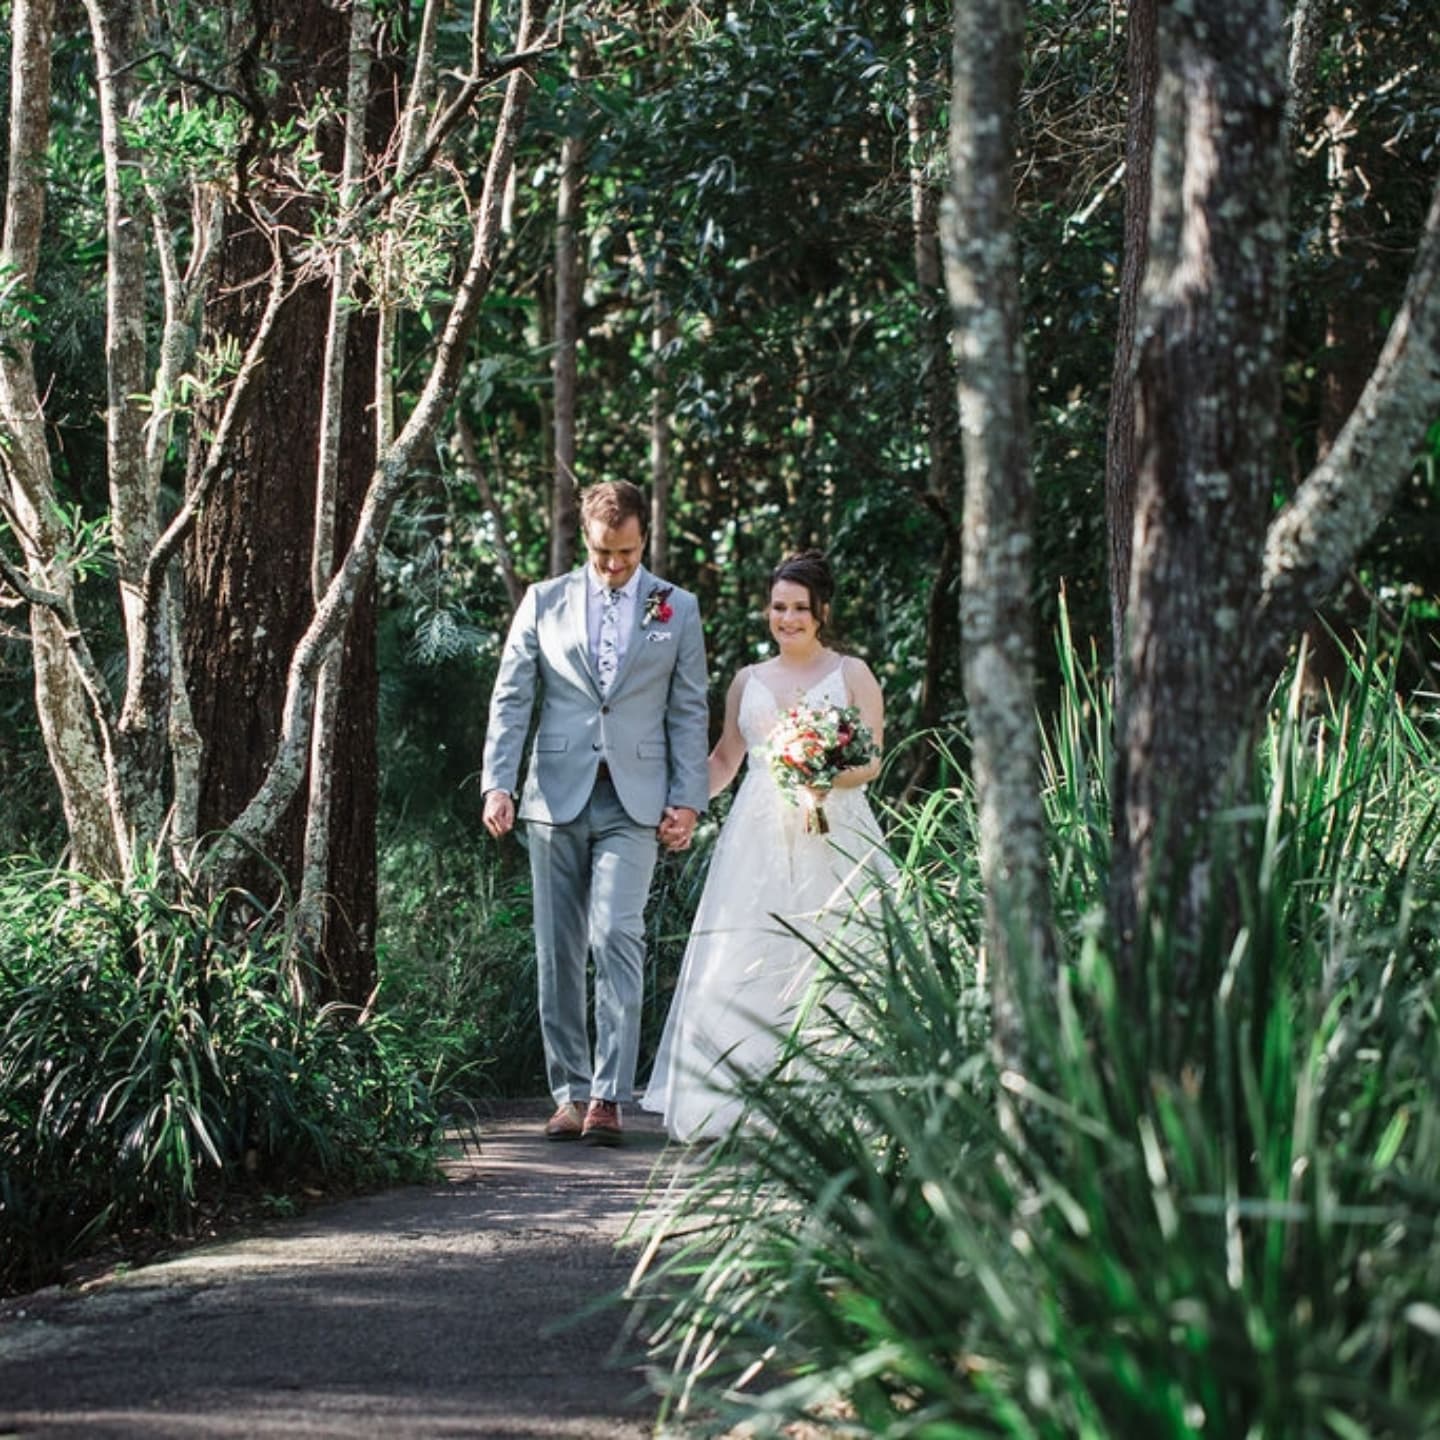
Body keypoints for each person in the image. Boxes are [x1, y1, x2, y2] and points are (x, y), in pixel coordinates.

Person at [481, 481, 709, 1146]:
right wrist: (499, 783)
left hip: (634, 798)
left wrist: (688, 798)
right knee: (557, 949)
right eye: (604, 553)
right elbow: (512, 697)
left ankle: (610, 1095)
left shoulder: (678, 609)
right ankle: (568, 1093)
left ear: (645, 538)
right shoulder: (543, 601)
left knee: (616, 935)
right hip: (554, 793)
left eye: (628, 553)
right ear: (587, 540)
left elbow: (689, 708)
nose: (615, 566)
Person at [642, 549, 893, 1143]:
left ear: (821, 612)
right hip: (754, 840)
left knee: (832, 956)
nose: (788, 619)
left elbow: (873, 760)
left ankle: (839, 1101)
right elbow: (728, 758)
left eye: (800, 608)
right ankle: (735, 1105)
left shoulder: (852, 674)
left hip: (835, 834)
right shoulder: (747, 681)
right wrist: (680, 800)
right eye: (779, 607)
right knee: (744, 955)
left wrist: (821, 778)